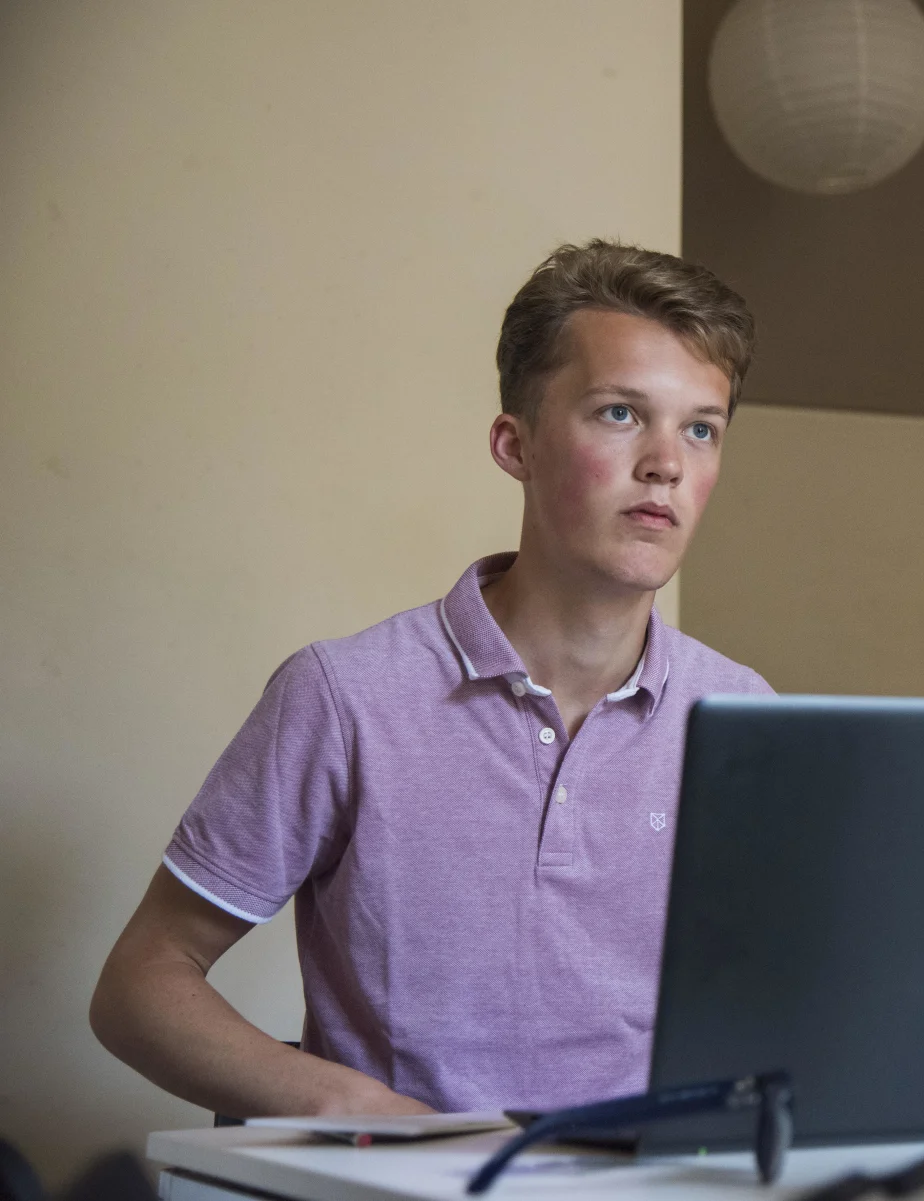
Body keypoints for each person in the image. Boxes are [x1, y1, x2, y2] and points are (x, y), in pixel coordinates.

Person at [89, 240, 774, 1117]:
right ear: (514, 444)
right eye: (618, 414)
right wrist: (349, 1104)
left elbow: (782, 1003)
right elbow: (140, 985)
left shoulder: (744, 715)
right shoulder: (344, 697)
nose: (666, 464)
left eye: (701, 427)